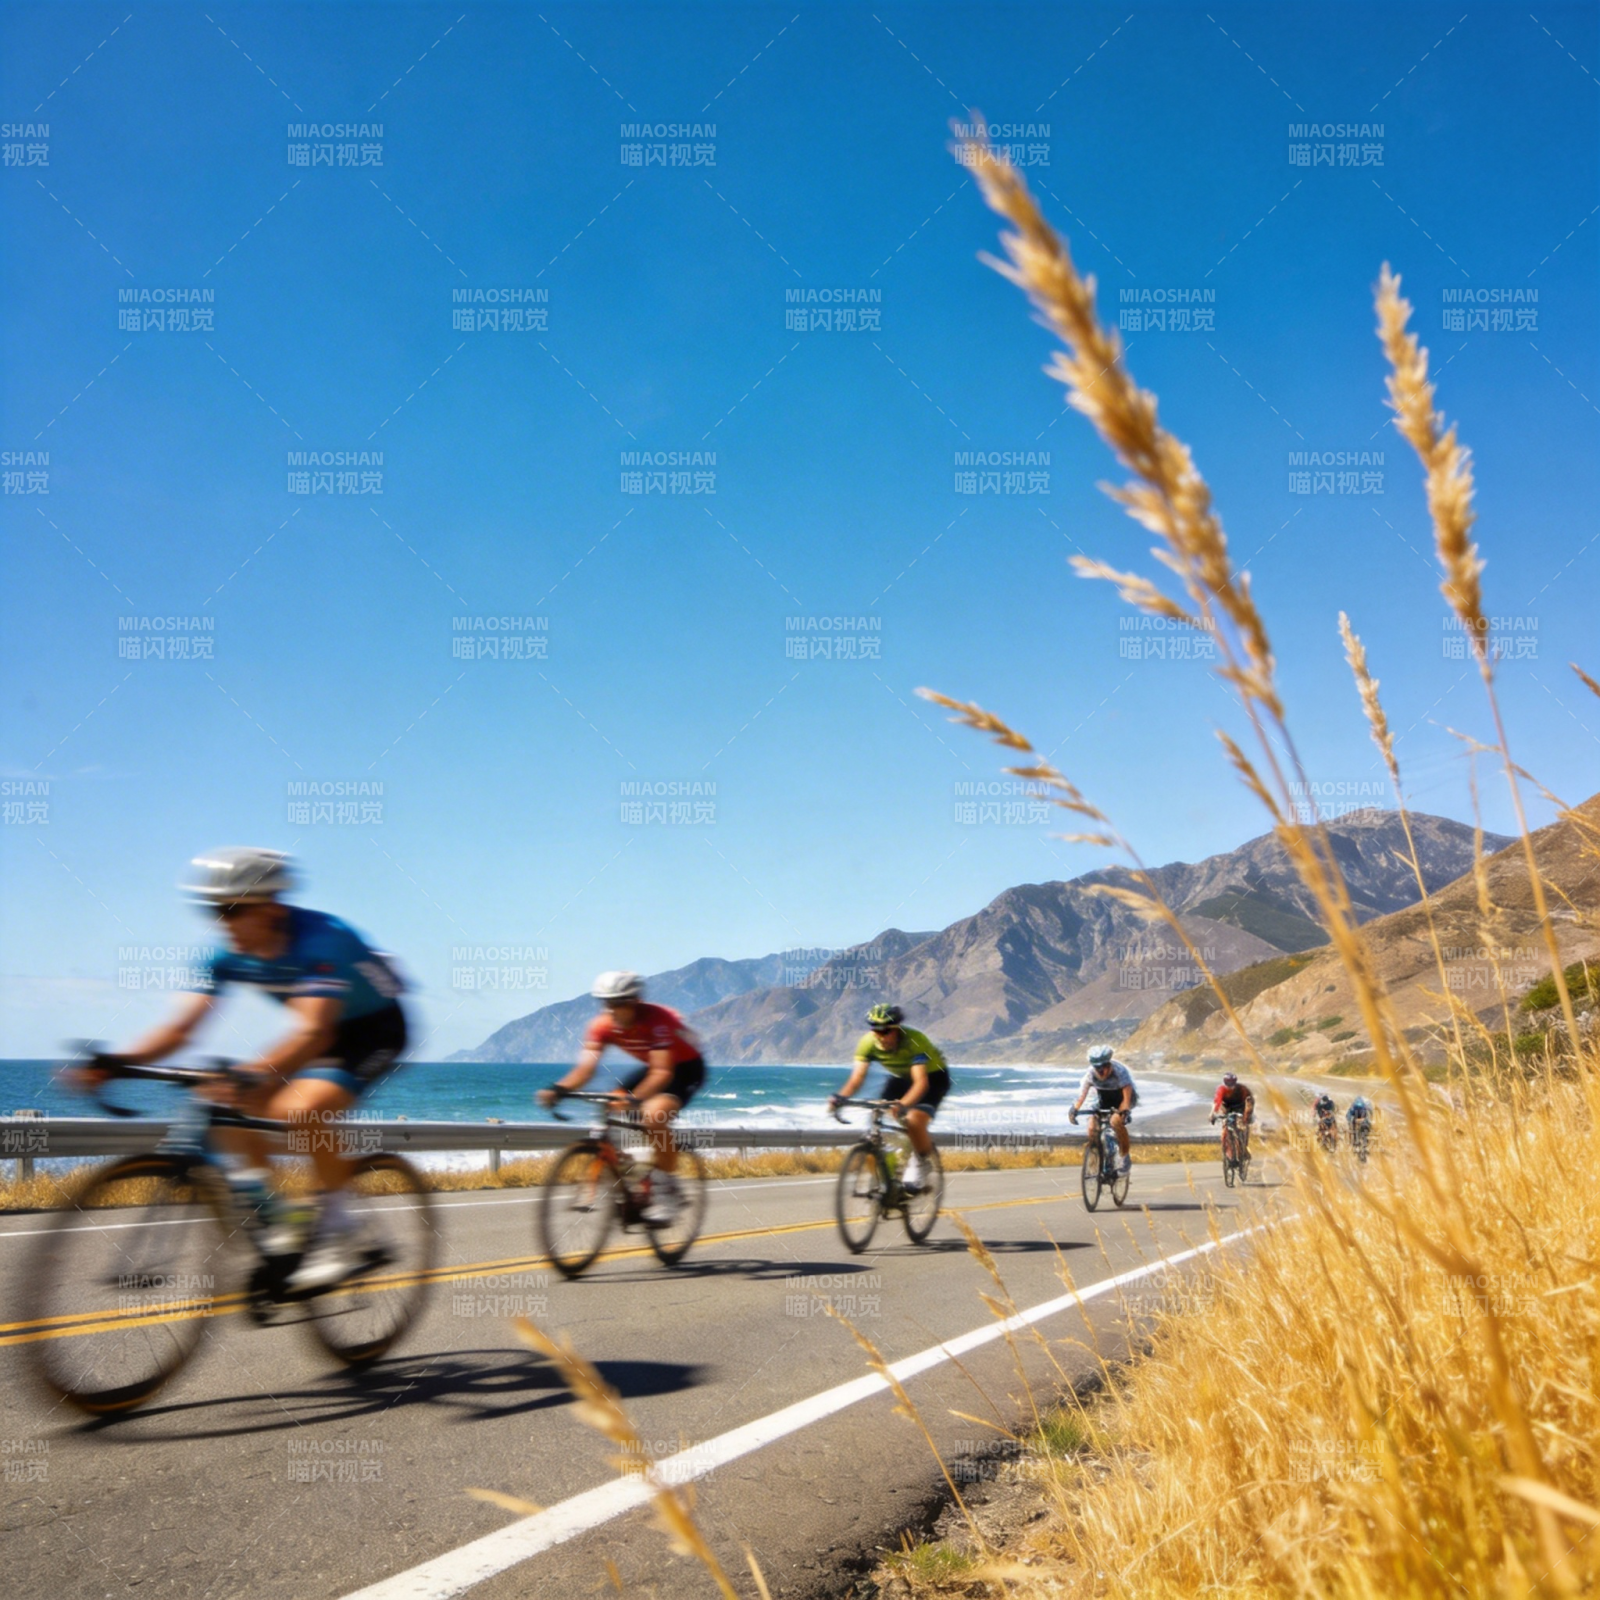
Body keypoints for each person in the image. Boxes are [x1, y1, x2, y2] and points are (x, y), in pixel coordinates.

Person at [65, 848, 408, 1292]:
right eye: (214, 911)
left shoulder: (323, 941)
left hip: (373, 1031)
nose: (222, 923)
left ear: (272, 907)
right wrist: (119, 1062)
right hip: (320, 1029)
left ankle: (341, 1233)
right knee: (227, 1112)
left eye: (231, 910)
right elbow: (180, 1029)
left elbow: (314, 1034)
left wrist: (252, 1073)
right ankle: (282, 1216)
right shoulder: (224, 955)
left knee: (303, 1113)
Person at [538, 971, 706, 1225]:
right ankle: (632, 1171)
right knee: (611, 1103)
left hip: (685, 1069)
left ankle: (667, 1191)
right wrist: (558, 1088)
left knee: (653, 1116)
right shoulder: (602, 1026)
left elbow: (663, 1073)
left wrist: (635, 1099)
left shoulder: (658, 1020)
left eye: (619, 1002)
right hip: (653, 1069)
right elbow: (586, 1068)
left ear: (635, 1000)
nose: (613, 1009)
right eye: (607, 1003)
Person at [828, 1004, 950, 1193]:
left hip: (933, 1079)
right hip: (901, 1079)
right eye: (875, 1030)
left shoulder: (914, 1041)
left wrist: (903, 1105)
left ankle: (921, 1161)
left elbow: (920, 1083)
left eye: (885, 1031)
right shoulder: (868, 1043)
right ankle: (890, 1170)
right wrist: (840, 1097)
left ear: (897, 1028)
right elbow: (857, 1078)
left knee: (913, 1120)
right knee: (876, 1121)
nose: (880, 1035)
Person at [1068, 1045, 1135, 1175]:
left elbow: (1126, 1098)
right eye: (1097, 1067)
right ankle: (1100, 1156)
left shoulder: (1120, 1072)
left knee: (1115, 1122)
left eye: (1103, 1066)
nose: (1101, 1070)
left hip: (1119, 1097)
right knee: (1091, 1128)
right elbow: (1083, 1096)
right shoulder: (1090, 1074)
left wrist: (1123, 1112)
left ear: (1109, 1063)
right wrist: (1074, 1110)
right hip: (1100, 1097)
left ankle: (1124, 1155)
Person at [1210, 1071, 1255, 1157]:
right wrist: (1212, 1114)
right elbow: (1217, 1102)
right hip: (1227, 1109)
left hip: (1241, 1108)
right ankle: (1225, 1147)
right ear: (1224, 1082)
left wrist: (1246, 1117)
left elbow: (1250, 1103)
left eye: (1232, 1082)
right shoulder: (1221, 1089)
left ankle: (1244, 1148)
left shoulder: (1242, 1089)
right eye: (1227, 1082)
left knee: (1244, 1127)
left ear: (1235, 1081)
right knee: (1225, 1125)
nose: (1230, 1085)